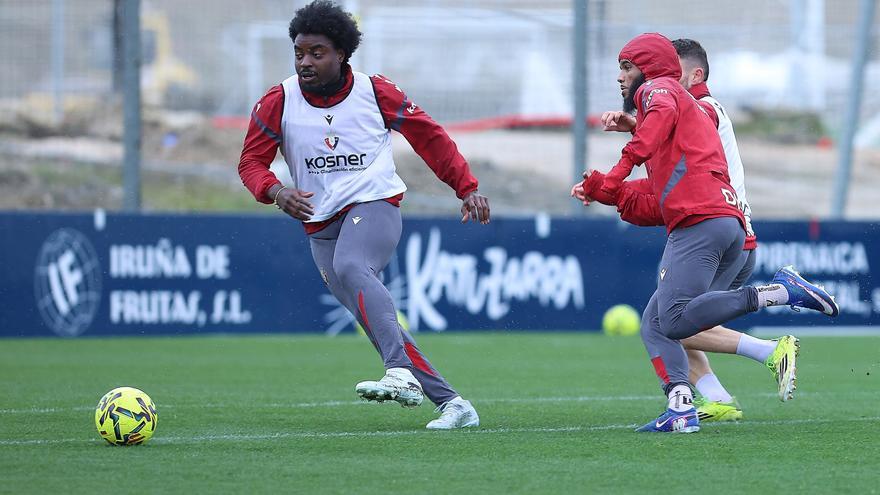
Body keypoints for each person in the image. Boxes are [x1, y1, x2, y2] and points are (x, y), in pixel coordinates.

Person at [237, 0, 488, 430]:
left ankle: (399, 372)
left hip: (375, 205)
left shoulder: (375, 91)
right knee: (376, 323)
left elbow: (430, 137)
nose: (306, 62)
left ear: (342, 54)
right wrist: (276, 191)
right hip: (320, 225)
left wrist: (466, 188)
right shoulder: (277, 101)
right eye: (299, 52)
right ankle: (455, 405)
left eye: (317, 53)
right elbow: (250, 164)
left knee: (352, 266)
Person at [572, 33, 838, 433]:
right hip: (724, 224)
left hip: (711, 223)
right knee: (661, 322)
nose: (620, 78)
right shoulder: (675, 114)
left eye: (626, 67)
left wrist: (619, 167)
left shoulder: (687, 100)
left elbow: (667, 119)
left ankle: (778, 300)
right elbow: (659, 194)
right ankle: (704, 398)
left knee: (673, 320)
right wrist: (606, 190)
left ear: (686, 74)